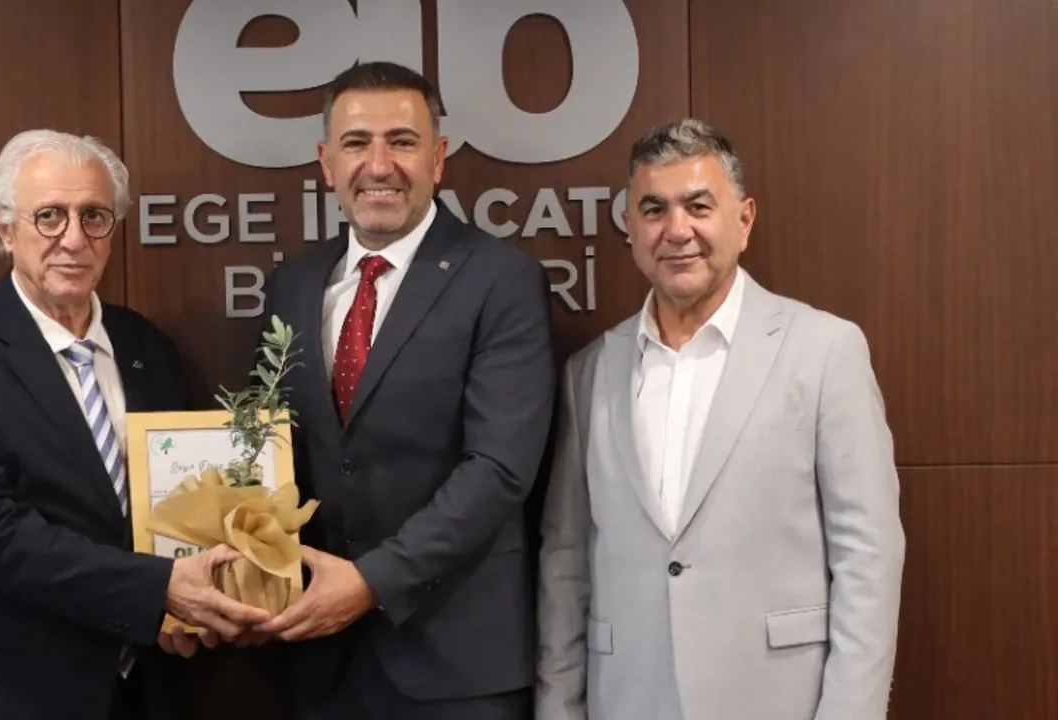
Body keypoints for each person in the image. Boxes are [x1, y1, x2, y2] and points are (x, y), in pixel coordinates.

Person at [535, 118, 906, 720]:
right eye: (654, 209)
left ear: (745, 220)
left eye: (698, 206)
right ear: (630, 227)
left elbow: (868, 555)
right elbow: (565, 564)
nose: (677, 230)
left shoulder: (824, 350)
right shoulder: (589, 372)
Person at [0, 129, 269, 720]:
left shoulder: (145, 345)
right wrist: (157, 590)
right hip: (6, 688)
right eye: (49, 216)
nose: (73, 239)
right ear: (4, 229)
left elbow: (178, 503)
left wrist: (185, 607)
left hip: (141, 687)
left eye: (93, 216)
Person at [236, 61, 555, 719]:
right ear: (326, 162)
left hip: (453, 663)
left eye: (402, 142)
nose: (378, 165)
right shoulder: (293, 285)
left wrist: (370, 582)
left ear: (438, 158)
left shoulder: (501, 280)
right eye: (356, 143)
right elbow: (268, 450)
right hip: (318, 656)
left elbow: (499, 469)